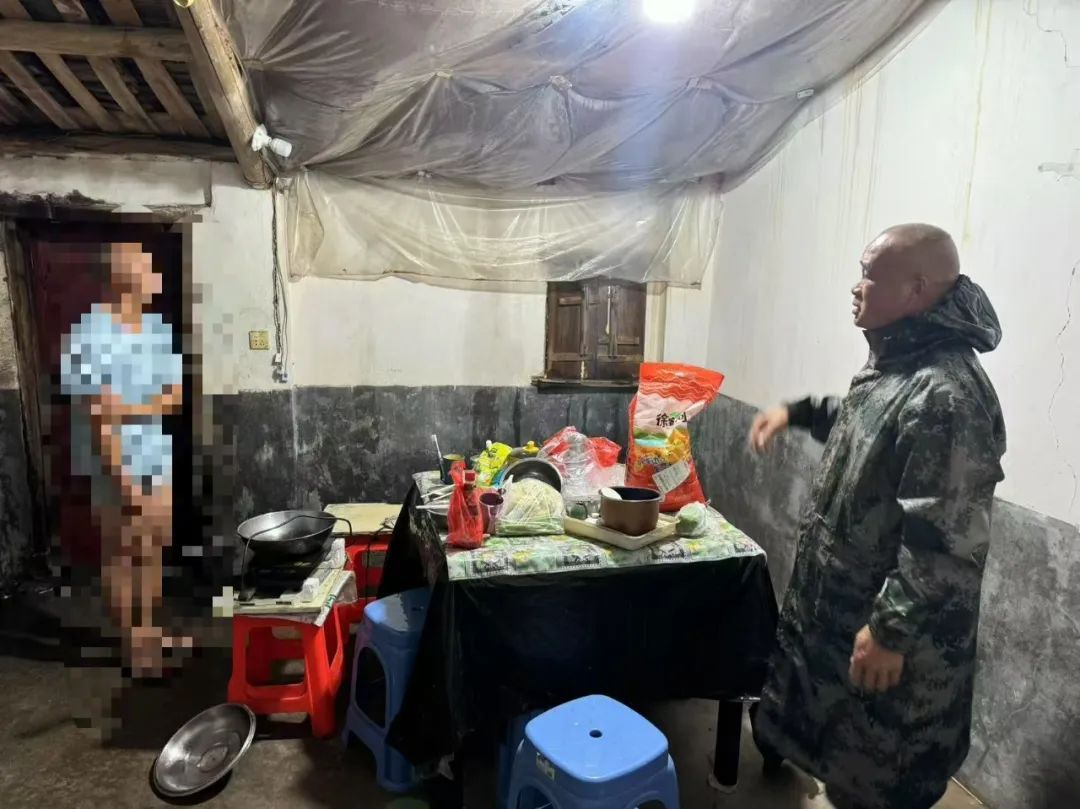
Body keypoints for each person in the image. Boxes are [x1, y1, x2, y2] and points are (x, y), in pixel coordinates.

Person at [748, 223, 1006, 809]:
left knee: (882, 774)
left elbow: (946, 542)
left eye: (869, 274)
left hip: (895, 639)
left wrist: (891, 630)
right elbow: (868, 424)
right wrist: (797, 413)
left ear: (915, 289)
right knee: (841, 751)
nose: (855, 286)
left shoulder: (946, 394)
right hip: (846, 610)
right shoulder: (901, 366)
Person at [60, 241, 190, 677]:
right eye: (145, 266)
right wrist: (123, 479)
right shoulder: (90, 334)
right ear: (121, 275)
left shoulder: (155, 329)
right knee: (122, 553)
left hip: (155, 456)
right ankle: (133, 644)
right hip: (111, 461)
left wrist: (129, 407)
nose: (155, 274)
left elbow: (174, 398)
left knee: (153, 547)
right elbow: (97, 416)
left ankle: (150, 630)